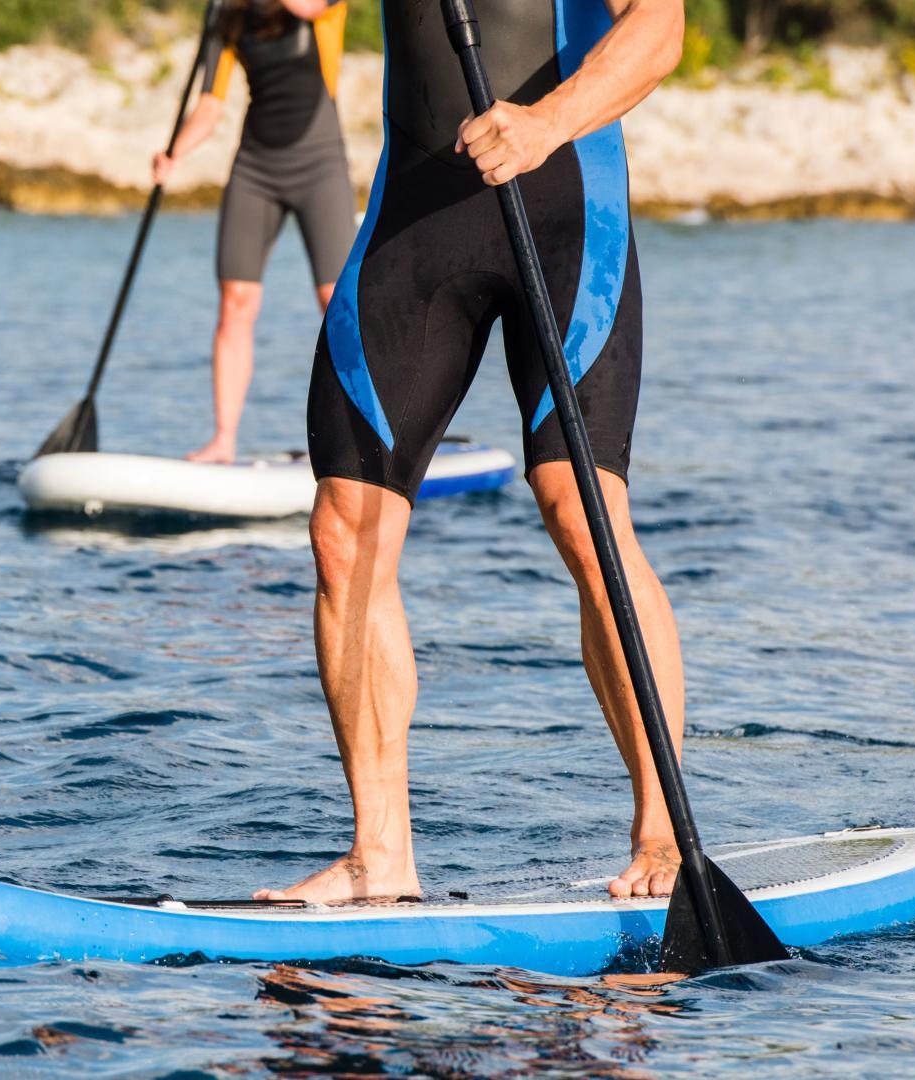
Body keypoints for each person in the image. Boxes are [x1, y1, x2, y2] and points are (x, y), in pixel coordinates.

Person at [261, 0, 689, 903]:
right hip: (417, 211)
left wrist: (547, 122)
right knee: (345, 527)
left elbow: (660, 29)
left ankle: (661, 831)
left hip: (564, 196)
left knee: (581, 509)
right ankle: (380, 854)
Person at [153, 0, 356, 464]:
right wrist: (174, 154)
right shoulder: (226, 17)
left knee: (336, 300)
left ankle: (358, 431)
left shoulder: (322, 11)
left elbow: (309, 7)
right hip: (256, 168)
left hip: (319, 165)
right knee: (236, 301)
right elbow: (209, 106)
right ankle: (223, 439)